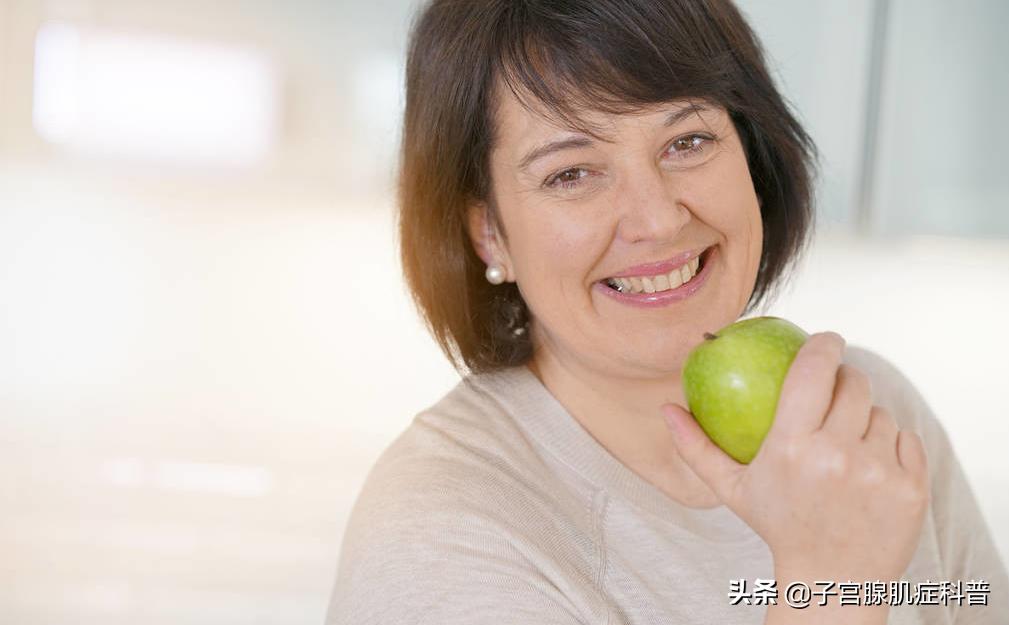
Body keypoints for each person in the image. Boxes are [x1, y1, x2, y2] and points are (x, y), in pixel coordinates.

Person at [327, 1, 1008, 623]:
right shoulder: (434, 534)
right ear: (488, 234)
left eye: (686, 141)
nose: (656, 218)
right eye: (571, 173)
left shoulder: (863, 415)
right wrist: (827, 587)